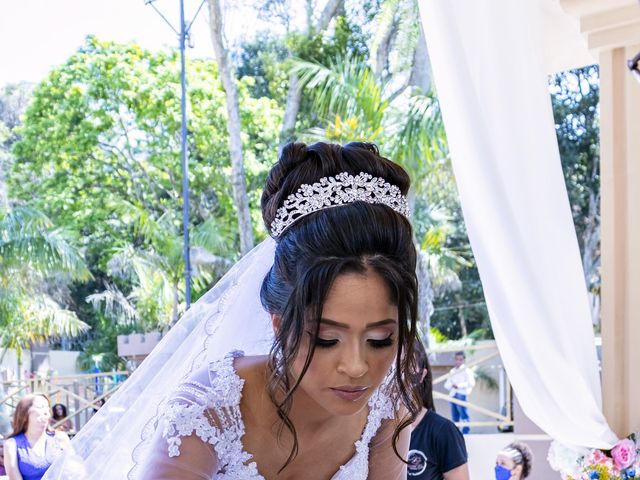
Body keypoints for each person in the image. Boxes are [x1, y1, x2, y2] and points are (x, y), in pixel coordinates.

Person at [43, 141, 421, 479]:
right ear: (278, 324)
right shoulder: (213, 408)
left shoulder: (386, 410)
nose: (356, 367)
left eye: (379, 339)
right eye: (326, 339)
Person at [408, 340, 469, 480]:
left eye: (407, 364)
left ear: (422, 374)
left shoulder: (443, 431)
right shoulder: (373, 430)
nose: (399, 374)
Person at [2, 394, 69, 480]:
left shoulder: (61, 438)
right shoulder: (11, 444)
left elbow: (72, 471)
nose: (46, 411)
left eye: (47, 407)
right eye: (40, 406)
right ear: (24, 413)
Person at [444, 351, 475, 434]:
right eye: (457, 359)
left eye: (460, 359)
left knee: (463, 413)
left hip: (461, 394)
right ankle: (456, 433)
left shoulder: (467, 371)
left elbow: (471, 383)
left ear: (464, 360)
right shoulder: (452, 371)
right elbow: (447, 384)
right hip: (453, 394)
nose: (458, 361)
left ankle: (466, 432)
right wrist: (452, 385)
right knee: (455, 415)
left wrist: (459, 385)